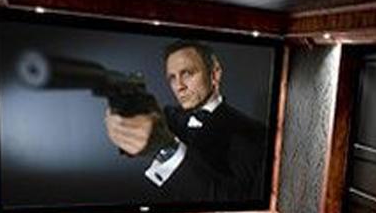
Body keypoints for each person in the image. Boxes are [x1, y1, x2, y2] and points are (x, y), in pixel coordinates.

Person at [105, 40, 267, 203]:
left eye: (187, 74)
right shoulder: (169, 117)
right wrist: (125, 114)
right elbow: (137, 138)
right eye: (172, 78)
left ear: (215, 74)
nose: (179, 86)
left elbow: (234, 203)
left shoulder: (256, 134)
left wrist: (167, 149)